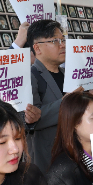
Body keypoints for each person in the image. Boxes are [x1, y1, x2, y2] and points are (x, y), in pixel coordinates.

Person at [28, 19, 69, 172]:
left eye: (63, 40)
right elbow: (32, 120)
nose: (62, 45)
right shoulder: (31, 76)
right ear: (37, 48)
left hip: (72, 155)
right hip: (48, 161)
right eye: (55, 41)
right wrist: (67, 102)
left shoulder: (69, 75)